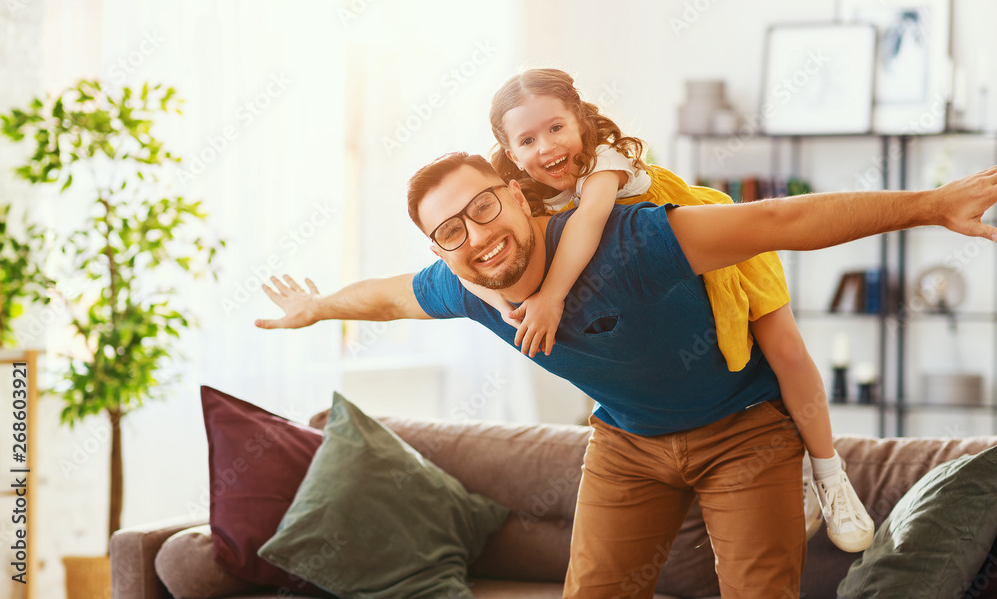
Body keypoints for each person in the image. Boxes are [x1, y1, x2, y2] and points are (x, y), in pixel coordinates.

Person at [256, 152, 997, 598]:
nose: (477, 236)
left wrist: (930, 205)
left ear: (520, 194)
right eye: (450, 231)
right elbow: (387, 294)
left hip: (744, 433)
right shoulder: (466, 287)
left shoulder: (634, 242)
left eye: (485, 207)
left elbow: (780, 222)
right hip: (628, 447)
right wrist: (319, 307)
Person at [466, 68, 871, 551]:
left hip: (715, 240)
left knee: (782, 349)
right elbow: (464, 262)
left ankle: (828, 472)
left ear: (578, 120)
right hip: (659, 301)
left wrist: (549, 297)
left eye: (556, 128)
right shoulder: (519, 198)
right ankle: (800, 474)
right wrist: (502, 300)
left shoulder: (605, 160)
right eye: (528, 139)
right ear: (511, 154)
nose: (547, 147)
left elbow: (591, 219)